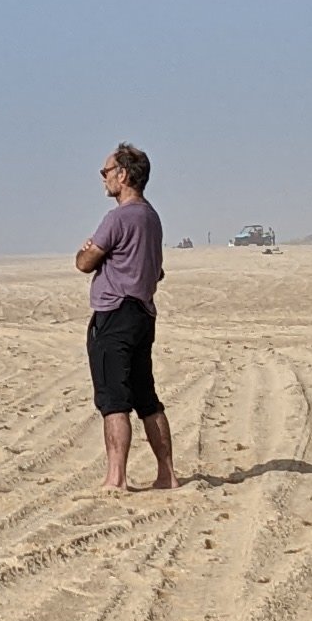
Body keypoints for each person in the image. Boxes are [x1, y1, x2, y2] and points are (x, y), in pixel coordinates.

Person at [77, 143, 176, 491]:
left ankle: (116, 478)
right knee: (146, 397)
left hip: (115, 313)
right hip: (143, 314)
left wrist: (87, 251)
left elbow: (84, 262)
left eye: (106, 171)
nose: (103, 178)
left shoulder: (118, 218)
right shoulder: (151, 217)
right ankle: (167, 474)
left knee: (114, 400)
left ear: (123, 175)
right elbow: (157, 271)